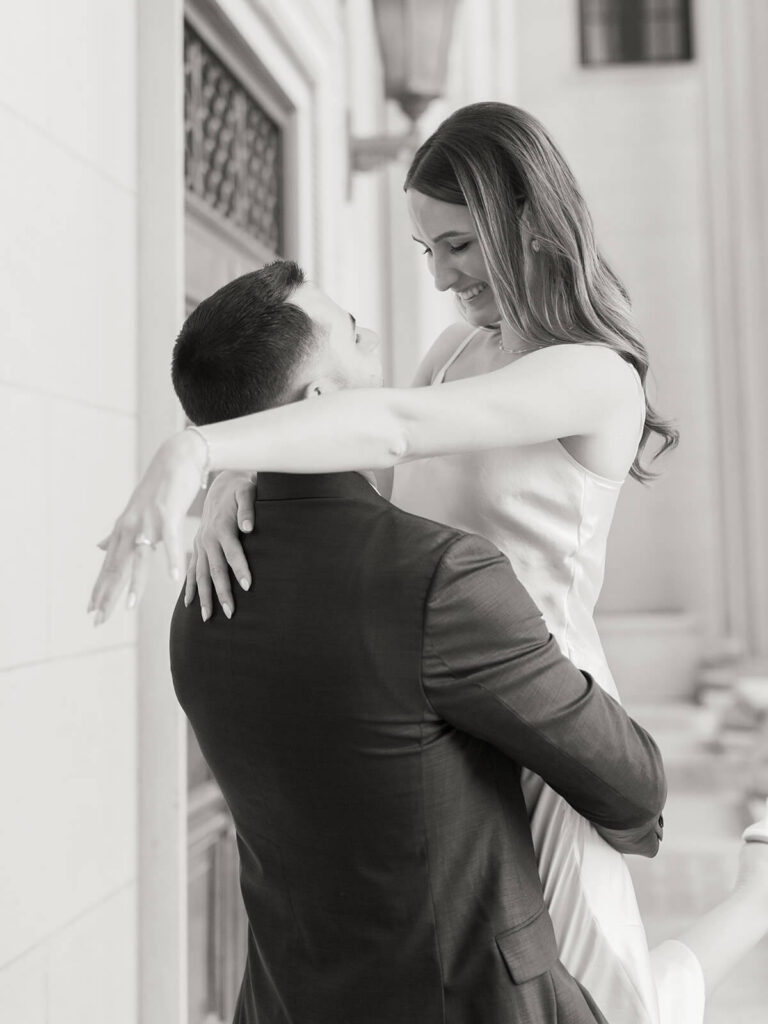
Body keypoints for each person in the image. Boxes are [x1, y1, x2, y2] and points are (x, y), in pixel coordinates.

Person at [89, 104, 768, 1022]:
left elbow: (394, 426)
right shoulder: (455, 351)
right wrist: (233, 481)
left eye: (457, 245)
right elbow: (350, 439)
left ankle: (758, 896)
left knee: (619, 1006)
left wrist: (197, 452)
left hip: (544, 714)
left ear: (526, 223)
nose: (444, 278)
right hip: (439, 711)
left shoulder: (593, 374)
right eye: (426, 252)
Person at [168, 258, 667, 1023]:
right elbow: (633, 784)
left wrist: (233, 470)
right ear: (321, 401)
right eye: (354, 332)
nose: (377, 333)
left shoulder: (200, 601)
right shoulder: (442, 580)